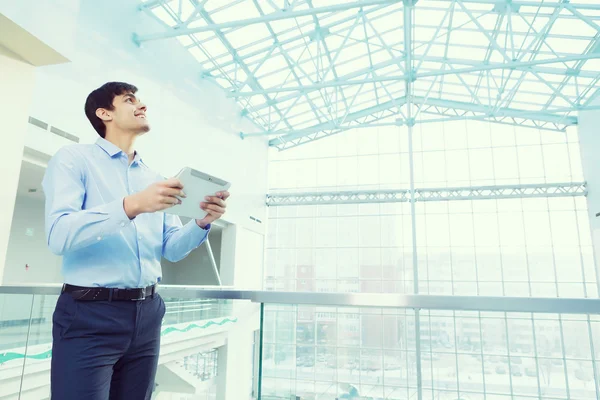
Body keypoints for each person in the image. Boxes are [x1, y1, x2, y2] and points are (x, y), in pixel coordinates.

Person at [42, 81, 230, 399]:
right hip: (89, 314)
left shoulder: (156, 180)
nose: (142, 106)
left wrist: (202, 222)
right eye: (130, 100)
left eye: (141, 100)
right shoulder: (73, 159)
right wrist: (132, 205)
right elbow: (59, 235)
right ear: (104, 113)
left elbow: (170, 248)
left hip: (148, 313)